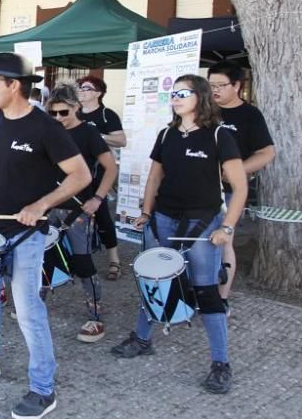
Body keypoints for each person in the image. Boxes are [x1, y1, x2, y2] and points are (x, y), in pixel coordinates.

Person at [0, 52, 91, 419]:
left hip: (27, 234)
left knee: (27, 309)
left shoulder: (46, 128)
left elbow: (81, 176)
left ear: (14, 86)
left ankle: (44, 388)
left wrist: (41, 204)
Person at [110, 75, 247, 395]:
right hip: (163, 220)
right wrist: (145, 212)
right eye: (173, 93)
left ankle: (221, 364)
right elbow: (155, 177)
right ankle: (142, 339)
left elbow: (240, 188)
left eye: (183, 92)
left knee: (207, 291)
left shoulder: (219, 135)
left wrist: (226, 227)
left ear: (200, 97)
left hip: (202, 223)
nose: (176, 97)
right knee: (153, 280)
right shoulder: (167, 134)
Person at [46, 84, 121, 342]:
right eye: (53, 113)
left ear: (76, 107)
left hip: (77, 209)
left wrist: (98, 198)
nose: (57, 118)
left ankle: (95, 316)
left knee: (82, 262)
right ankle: (37, 303)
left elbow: (110, 168)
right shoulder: (49, 131)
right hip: (48, 206)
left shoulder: (89, 132)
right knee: (44, 256)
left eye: (63, 113)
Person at [207, 61, 275, 311]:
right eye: (210, 85)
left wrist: (238, 170)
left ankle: (221, 298)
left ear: (237, 85)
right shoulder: (205, 110)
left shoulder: (250, 115)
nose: (214, 90)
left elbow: (267, 153)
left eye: (221, 85)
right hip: (199, 187)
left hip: (230, 192)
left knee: (224, 241)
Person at [75, 74, 126, 279]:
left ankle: (115, 260)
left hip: (100, 172)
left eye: (86, 88)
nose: (81, 91)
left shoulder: (107, 114)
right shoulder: (75, 112)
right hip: (76, 171)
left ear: (98, 92)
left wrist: (96, 136)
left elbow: (121, 140)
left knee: (103, 215)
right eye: (80, 87)